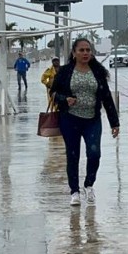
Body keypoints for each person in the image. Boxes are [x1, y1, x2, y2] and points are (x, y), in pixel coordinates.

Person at [51, 38, 120, 207]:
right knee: (73, 156)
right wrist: (64, 99)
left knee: (94, 153)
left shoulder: (97, 71)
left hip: (92, 120)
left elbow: (107, 98)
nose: (85, 53)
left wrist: (114, 122)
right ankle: (74, 191)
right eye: (81, 50)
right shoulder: (66, 71)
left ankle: (89, 185)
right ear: (74, 53)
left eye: (88, 50)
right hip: (70, 119)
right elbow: (53, 92)